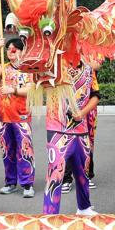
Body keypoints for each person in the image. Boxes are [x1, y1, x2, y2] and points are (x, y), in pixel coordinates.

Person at [43, 61, 99, 216]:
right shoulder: (53, 66)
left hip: (81, 129)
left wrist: (82, 112)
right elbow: (40, 83)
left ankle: (84, 207)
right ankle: (50, 213)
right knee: (56, 172)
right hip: (58, 129)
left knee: (83, 171)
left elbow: (95, 95)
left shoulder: (88, 69)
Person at [0, 36, 35, 198]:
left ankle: (27, 184)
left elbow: (31, 89)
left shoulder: (29, 69)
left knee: (24, 150)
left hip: (22, 117)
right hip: (5, 117)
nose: (10, 52)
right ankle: (10, 182)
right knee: (7, 151)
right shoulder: (5, 68)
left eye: (14, 49)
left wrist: (13, 90)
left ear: (22, 52)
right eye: (8, 49)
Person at [63, 57, 101, 192]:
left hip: (87, 110)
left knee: (88, 142)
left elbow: (96, 65)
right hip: (64, 111)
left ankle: (87, 175)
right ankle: (65, 178)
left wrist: (81, 55)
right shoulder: (61, 62)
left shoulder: (89, 64)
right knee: (65, 143)